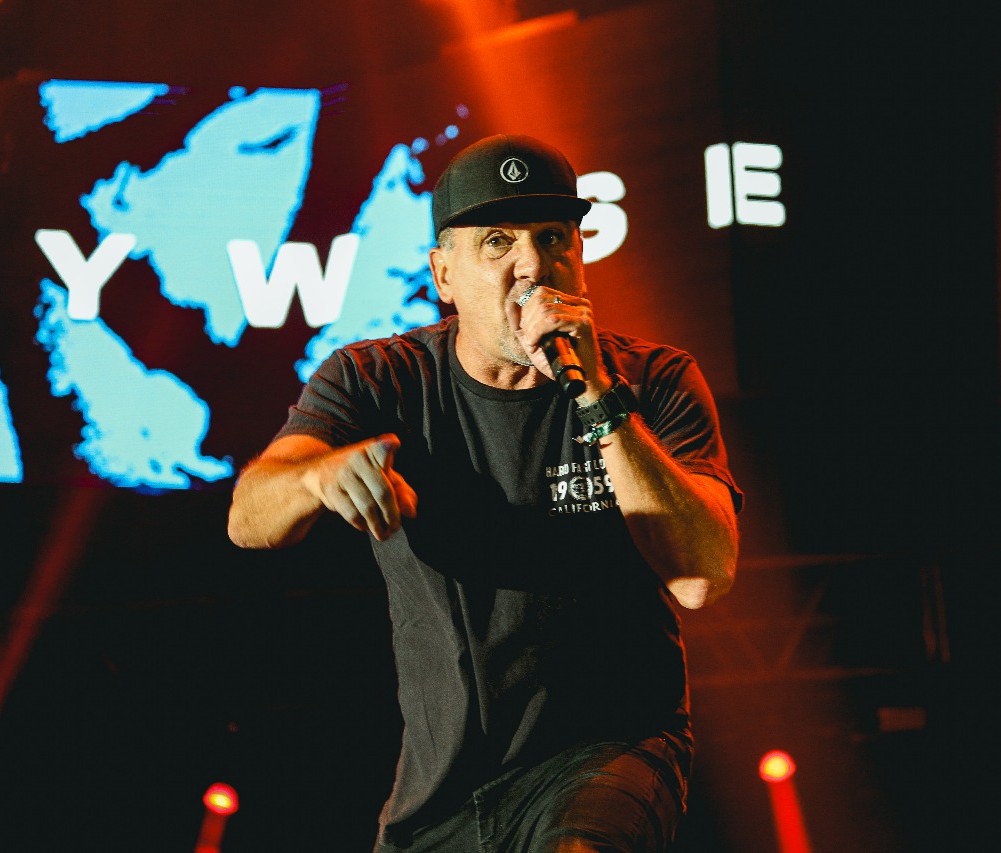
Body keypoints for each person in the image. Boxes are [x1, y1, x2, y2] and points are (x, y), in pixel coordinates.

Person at [228, 134, 741, 852]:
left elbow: (702, 576)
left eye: (553, 237)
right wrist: (316, 476)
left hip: (608, 751)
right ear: (443, 273)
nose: (532, 264)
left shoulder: (654, 381)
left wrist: (597, 395)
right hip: (443, 787)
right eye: (498, 241)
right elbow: (249, 518)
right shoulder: (379, 379)